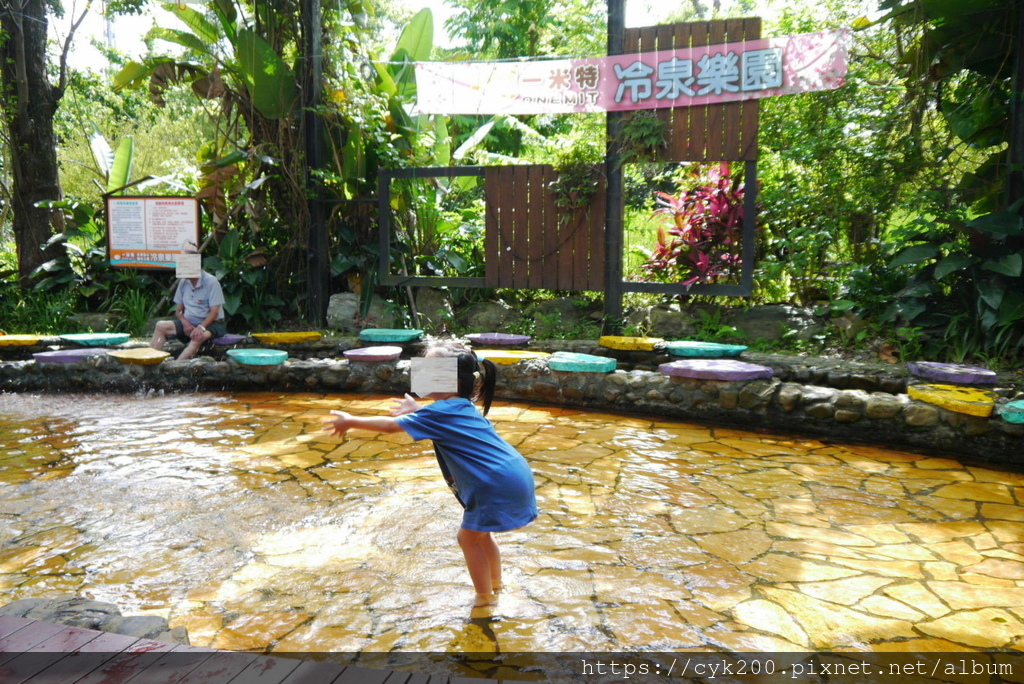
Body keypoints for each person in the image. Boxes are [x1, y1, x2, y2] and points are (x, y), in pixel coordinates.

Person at [323, 343, 538, 607]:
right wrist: (415, 412)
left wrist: (351, 420)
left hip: (491, 483)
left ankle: (484, 600)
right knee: (482, 535)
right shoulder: (462, 406)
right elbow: (437, 421)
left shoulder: (438, 412)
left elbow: (391, 427)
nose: (421, 373)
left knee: (467, 539)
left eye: (429, 369)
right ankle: (496, 585)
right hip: (515, 473)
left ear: (448, 380)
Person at [149, 269, 227, 360]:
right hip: (189, 323)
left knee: (197, 337)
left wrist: (200, 327)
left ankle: (175, 366)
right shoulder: (183, 281)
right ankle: (150, 362)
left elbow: (214, 313)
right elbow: (179, 312)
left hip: (212, 324)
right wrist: (185, 323)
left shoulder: (211, 282)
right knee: (160, 325)